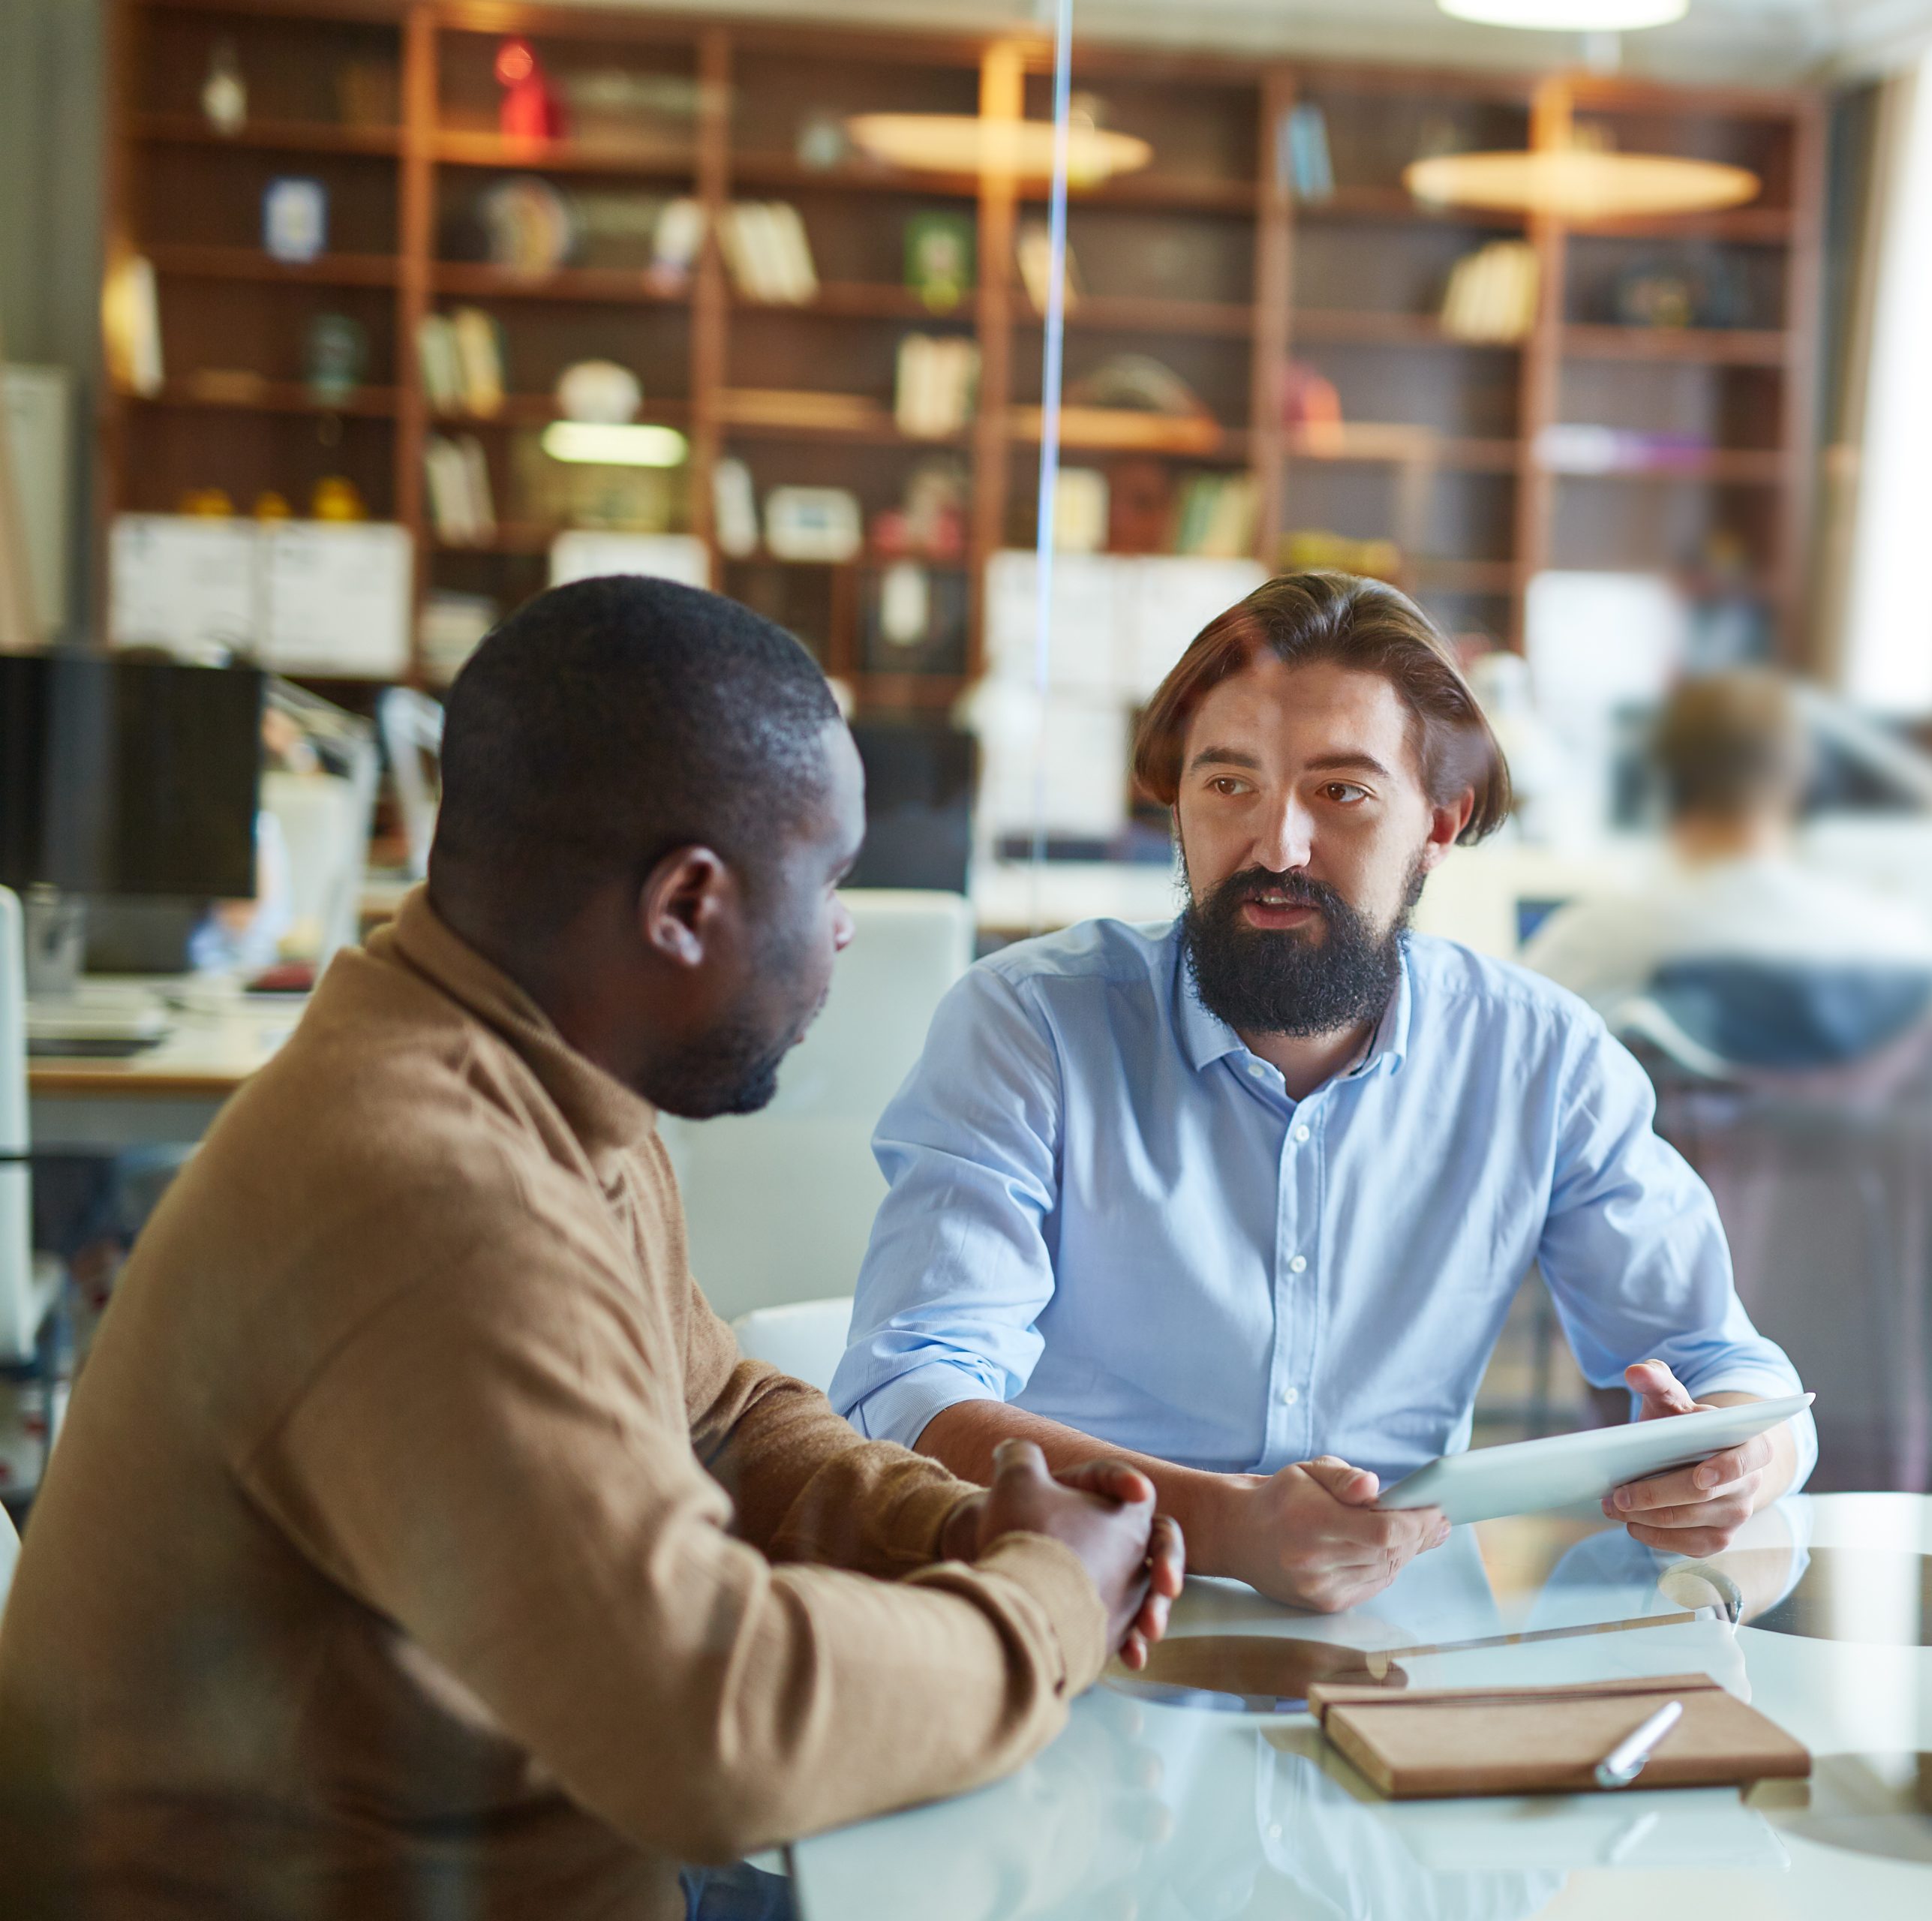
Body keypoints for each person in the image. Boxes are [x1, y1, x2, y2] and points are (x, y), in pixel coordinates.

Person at [0, 578, 1182, 1921]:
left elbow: (718, 1420)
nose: (846, 928)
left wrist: (961, 1531)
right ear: (684, 906)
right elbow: (711, 1728)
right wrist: (1043, 1605)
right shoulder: (435, 1196)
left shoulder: (543, 1086)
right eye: (831, 880)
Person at [833, 573, 1814, 1614]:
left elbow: (1733, 1368)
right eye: (1229, 784)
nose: (1277, 847)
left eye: (1341, 793)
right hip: (1075, 1618)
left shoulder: (1540, 1056)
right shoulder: (1030, 1025)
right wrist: (1216, 1523)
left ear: (1440, 822)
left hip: (1406, 1648)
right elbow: (906, 1393)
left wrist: (1735, 1464)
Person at [1516, 669, 1932, 1021]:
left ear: (1667, 781)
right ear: (1800, 782)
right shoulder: (1901, 947)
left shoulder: (1597, 942)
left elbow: (1513, 1046)